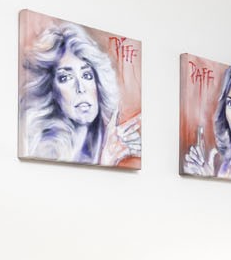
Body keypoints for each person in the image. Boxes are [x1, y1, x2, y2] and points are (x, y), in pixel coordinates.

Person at [20, 21, 141, 165]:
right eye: (66, 78)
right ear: (52, 91)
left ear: (98, 84)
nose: (81, 88)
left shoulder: (109, 142)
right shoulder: (43, 150)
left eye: (87, 76)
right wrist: (107, 161)